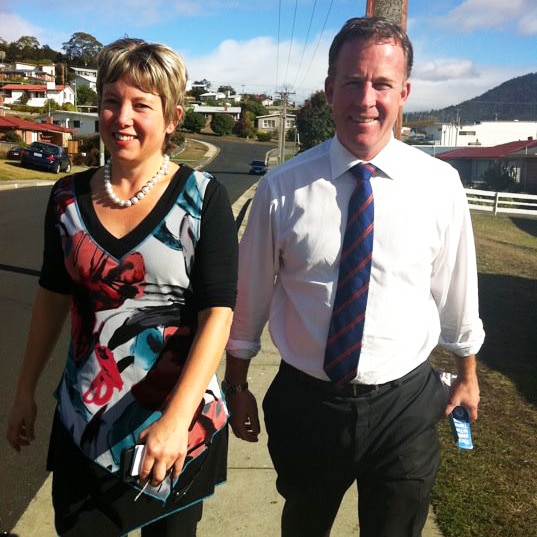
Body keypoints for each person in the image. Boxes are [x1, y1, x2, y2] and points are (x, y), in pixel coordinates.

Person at [223, 16, 484, 537]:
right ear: (329, 89)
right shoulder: (282, 189)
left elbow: (457, 291)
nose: (366, 98)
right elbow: (249, 299)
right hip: (307, 402)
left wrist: (468, 375)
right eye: (352, 81)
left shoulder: (440, 187)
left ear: (404, 92)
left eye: (382, 84)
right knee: (303, 523)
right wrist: (236, 385)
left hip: (405, 404)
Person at [6, 37, 238, 537]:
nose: (121, 117)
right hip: (83, 421)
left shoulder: (203, 199)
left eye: (141, 104)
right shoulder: (65, 197)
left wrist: (177, 422)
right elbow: (51, 298)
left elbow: (217, 315)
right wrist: (24, 391)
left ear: (173, 118)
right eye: (111, 101)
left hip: (174, 429)